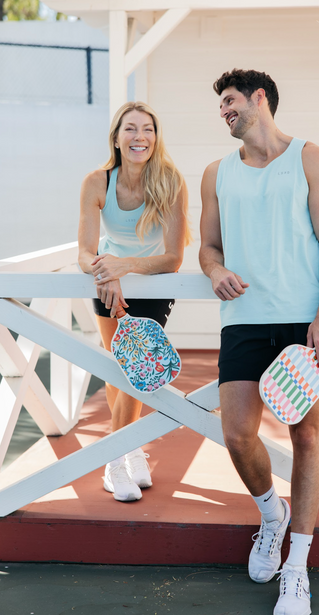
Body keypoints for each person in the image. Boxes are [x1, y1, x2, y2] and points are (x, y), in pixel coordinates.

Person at [199, 69, 319, 615]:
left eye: (231, 100)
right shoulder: (217, 173)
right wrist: (213, 270)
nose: (224, 111)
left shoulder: (312, 157)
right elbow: (208, 247)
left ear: (260, 98)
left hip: (305, 324)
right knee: (237, 434)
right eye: (221, 105)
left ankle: (297, 569)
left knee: (307, 440)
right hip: (242, 320)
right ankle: (270, 515)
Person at [78, 101, 190, 503]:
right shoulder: (97, 181)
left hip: (153, 283)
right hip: (109, 283)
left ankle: (115, 456)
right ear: (116, 136)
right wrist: (103, 272)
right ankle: (129, 451)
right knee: (117, 370)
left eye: (147, 129)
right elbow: (84, 251)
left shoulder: (171, 181)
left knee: (133, 370)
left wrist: (122, 267)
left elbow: (173, 257)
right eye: (130, 129)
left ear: (155, 138)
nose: (139, 136)